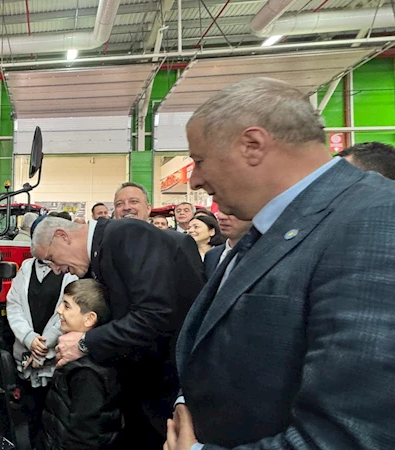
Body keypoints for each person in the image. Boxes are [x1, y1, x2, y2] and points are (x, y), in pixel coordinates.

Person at [167, 77, 395, 450]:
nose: (195, 180)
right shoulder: (275, 225)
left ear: (253, 145)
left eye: (200, 161)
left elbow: (352, 434)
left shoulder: (375, 220)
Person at [31, 216, 205, 449]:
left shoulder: (127, 235)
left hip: (164, 387)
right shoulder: (102, 252)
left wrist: (85, 342)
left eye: (52, 259)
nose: (56, 270)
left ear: (62, 236)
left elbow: (155, 315)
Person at [36, 279, 122, 450]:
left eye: (66, 306)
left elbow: (84, 436)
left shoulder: (86, 374)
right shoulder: (80, 361)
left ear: (89, 319)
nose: (59, 310)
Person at [6, 253, 77, 447]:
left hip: (56, 362)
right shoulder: (26, 267)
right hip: (25, 357)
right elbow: (14, 305)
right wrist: (28, 338)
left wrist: (44, 346)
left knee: (55, 417)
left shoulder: (69, 271)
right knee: (31, 413)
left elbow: (68, 315)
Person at [203, 211, 252, 279]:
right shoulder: (211, 255)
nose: (221, 217)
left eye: (231, 211)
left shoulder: (262, 254)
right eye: (220, 210)